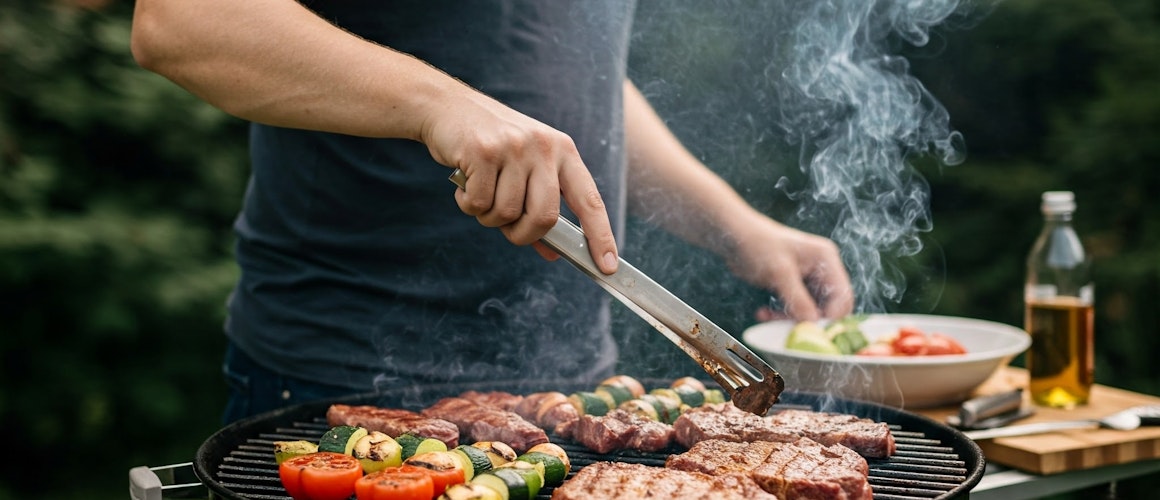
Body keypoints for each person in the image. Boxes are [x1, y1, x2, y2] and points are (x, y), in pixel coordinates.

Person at [130, 0, 854, 423]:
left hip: (578, 396)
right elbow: (182, 19)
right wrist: (437, 104)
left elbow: (570, 70)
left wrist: (735, 227)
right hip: (352, 384)